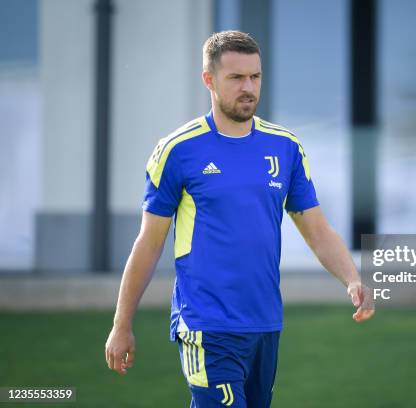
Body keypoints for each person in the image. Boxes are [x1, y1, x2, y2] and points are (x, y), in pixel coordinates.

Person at [104, 30, 374, 407]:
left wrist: (351, 278)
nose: (248, 87)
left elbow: (315, 228)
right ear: (209, 80)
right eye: (236, 78)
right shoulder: (178, 150)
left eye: (255, 77)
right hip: (206, 325)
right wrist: (122, 324)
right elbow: (149, 244)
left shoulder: (285, 146)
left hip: (265, 324)